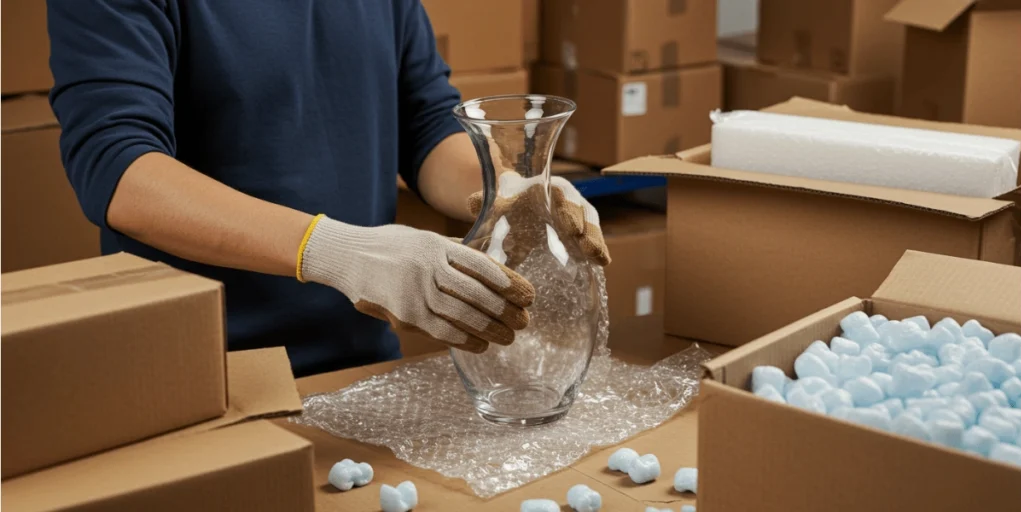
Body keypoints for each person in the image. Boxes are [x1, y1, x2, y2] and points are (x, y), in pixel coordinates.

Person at [47, 0, 610, 377]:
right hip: (200, 377)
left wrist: (508, 188)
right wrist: (335, 251)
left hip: (358, 363)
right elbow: (120, 168)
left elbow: (424, 123)